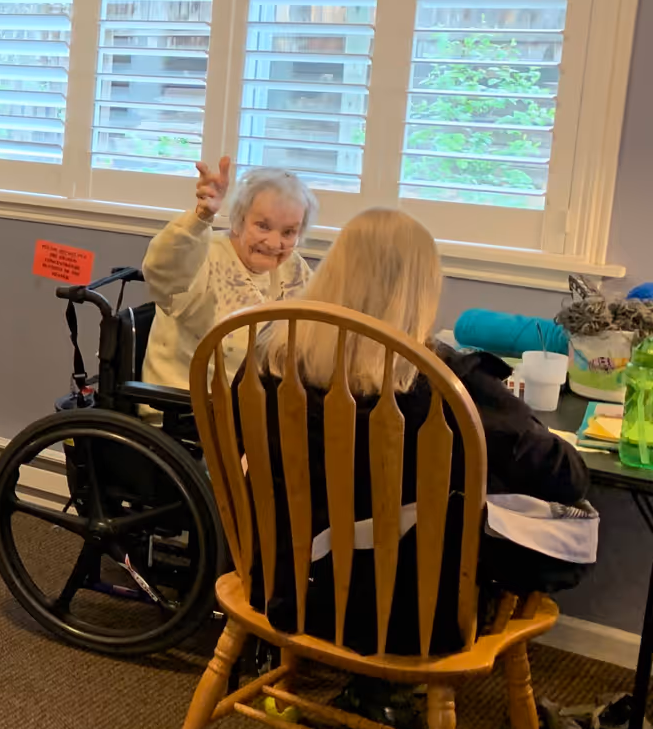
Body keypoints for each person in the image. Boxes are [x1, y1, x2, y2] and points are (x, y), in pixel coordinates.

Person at [249, 208, 590, 661]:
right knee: (567, 513)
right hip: (405, 617)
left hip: (277, 582)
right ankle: (385, 691)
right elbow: (566, 478)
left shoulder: (269, 358)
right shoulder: (447, 381)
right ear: (420, 291)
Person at [140, 157, 316, 389]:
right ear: (238, 220)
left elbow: (317, 328)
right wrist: (200, 217)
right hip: (191, 407)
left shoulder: (293, 267)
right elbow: (164, 271)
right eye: (263, 226)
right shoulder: (205, 256)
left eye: (288, 232)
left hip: (263, 406)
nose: (274, 243)